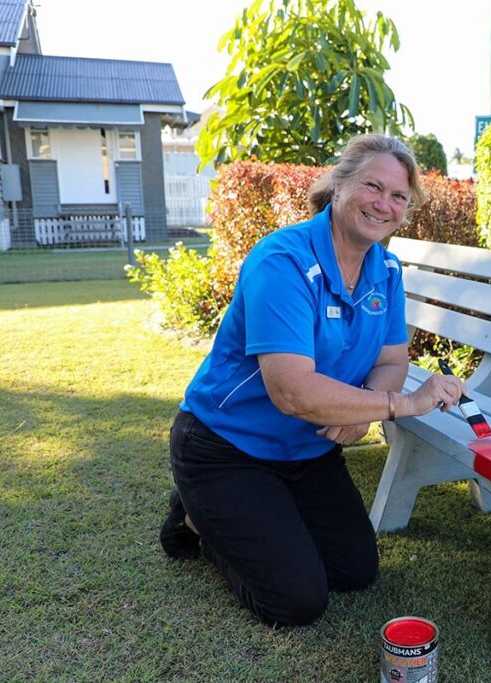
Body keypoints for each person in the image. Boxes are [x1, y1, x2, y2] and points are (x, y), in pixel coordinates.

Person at [158, 134, 466, 627]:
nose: (384, 204)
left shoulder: (385, 270)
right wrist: (397, 406)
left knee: (354, 571)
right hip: (227, 447)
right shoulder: (282, 261)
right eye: (373, 186)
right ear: (340, 184)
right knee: (296, 601)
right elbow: (293, 391)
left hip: (308, 449)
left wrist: (366, 402)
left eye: (399, 197)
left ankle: (240, 516)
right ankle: (196, 519)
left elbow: (392, 360)